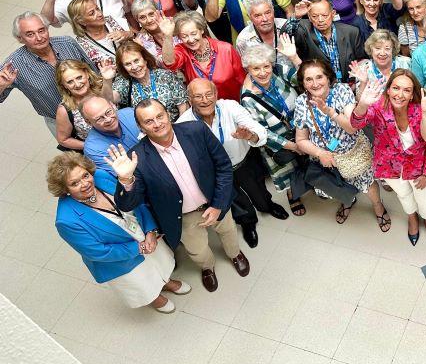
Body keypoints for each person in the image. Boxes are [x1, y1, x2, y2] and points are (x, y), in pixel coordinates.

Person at [108, 99, 249, 293]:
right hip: (182, 216)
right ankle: (207, 267)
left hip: (215, 201)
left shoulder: (196, 130)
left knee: (228, 230)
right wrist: (125, 180)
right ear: (140, 127)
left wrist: (218, 205)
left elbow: (223, 167)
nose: (157, 124)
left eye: (160, 116)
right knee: (197, 249)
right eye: (149, 121)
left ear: (168, 114)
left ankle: (235, 254)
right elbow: (127, 204)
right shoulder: (136, 158)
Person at [50, 152, 188, 313]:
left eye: (85, 175)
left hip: (144, 236)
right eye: (74, 183)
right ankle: (155, 298)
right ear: (64, 189)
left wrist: (150, 230)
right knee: (142, 281)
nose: (85, 183)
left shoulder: (101, 176)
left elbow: (136, 201)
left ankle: (166, 282)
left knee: (158, 264)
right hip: (119, 260)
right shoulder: (66, 220)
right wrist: (139, 248)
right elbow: (98, 252)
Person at [178, 78, 285, 248]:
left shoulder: (230, 107)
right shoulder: (183, 123)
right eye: (198, 96)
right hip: (218, 173)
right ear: (189, 99)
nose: (205, 100)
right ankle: (248, 222)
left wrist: (250, 136)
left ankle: (267, 206)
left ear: (216, 94)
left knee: (258, 189)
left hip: (244, 161)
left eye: (209, 94)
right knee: (235, 200)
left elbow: (256, 128)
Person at [348, 70, 426, 245]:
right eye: (396, 88)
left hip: (419, 168)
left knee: (424, 198)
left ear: (412, 94)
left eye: (406, 90)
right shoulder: (378, 107)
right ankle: (412, 217)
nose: (400, 94)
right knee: (404, 195)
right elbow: (355, 124)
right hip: (390, 168)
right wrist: (362, 104)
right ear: (388, 90)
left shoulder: (421, 109)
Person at [292, 59, 384, 228]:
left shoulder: (341, 91)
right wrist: (320, 154)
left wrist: (329, 111)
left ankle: (378, 206)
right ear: (303, 83)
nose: (315, 83)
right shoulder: (300, 102)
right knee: (339, 186)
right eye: (308, 79)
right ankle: (347, 202)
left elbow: (351, 128)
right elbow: (301, 140)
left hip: (353, 152)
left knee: (368, 184)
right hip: (327, 160)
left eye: (319, 77)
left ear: (328, 77)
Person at [240, 42, 308, 217]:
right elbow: (262, 133)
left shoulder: (279, 70)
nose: (263, 72)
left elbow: (305, 79)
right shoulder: (248, 98)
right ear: (248, 69)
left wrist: (294, 58)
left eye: (266, 66)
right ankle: (293, 195)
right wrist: (293, 146)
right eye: (256, 69)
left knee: (308, 163)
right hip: (279, 141)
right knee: (288, 170)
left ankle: (313, 184)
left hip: (301, 129)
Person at [0, 12, 95, 132]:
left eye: (41, 30)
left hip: (95, 106)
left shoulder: (67, 43)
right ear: (20, 39)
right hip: (61, 122)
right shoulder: (13, 64)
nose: (39, 38)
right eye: (30, 34)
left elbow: (94, 73)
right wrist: (1, 86)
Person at [160, 11, 246, 100]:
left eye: (193, 34)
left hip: (232, 105)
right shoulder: (183, 50)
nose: (190, 40)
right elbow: (169, 63)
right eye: (184, 36)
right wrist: (167, 36)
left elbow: (243, 80)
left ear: (201, 30)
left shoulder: (226, 49)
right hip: (204, 107)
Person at [285, 0, 365, 84]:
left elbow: (361, 60)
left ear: (333, 13)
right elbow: (285, 35)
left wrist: (354, 82)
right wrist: (296, 16)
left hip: (348, 85)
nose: (320, 20)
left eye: (324, 15)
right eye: (315, 16)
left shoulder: (351, 32)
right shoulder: (303, 30)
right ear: (309, 17)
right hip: (317, 87)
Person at [112, 41, 187, 120]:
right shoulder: (125, 82)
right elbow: (111, 99)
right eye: (128, 64)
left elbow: (183, 108)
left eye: (136, 60)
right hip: (146, 131)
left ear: (145, 59)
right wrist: (107, 80)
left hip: (175, 127)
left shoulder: (165, 76)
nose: (134, 67)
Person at [54, 59, 115, 151]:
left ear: (87, 74)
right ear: (64, 85)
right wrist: (92, 146)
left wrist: (107, 80)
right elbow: (63, 140)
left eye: (79, 77)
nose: (77, 84)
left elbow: (111, 100)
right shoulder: (65, 110)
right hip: (102, 152)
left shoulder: (103, 88)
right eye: (70, 82)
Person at [235, 0, 296, 76]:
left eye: (268, 13)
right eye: (257, 16)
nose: (265, 19)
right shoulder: (243, 40)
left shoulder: (288, 27)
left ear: (273, 11)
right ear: (250, 17)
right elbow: (247, 70)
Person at [81, 96, 142, 177]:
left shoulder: (131, 114)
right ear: (88, 122)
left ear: (112, 105)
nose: (108, 119)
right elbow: (125, 175)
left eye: (108, 112)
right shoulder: (93, 149)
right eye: (99, 119)